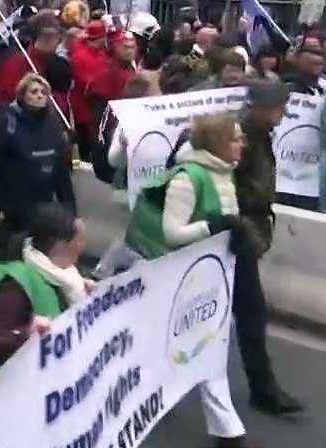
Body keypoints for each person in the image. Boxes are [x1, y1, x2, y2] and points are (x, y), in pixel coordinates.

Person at [121, 112, 251, 448]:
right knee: (197, 345)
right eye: (236, 138)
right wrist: (215, 226)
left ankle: (227, 431)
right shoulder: (188, 178)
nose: (242, 144)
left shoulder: (224, 173)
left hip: (210, 277)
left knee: (209, 345)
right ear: (218, 143)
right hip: (182, 279)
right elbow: (173, 232)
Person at [0, 205, 86, 388]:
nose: (85, 245)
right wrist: (25, 334)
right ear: (62, 244)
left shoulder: (61, 278)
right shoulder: (15, 285)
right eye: (81, 239)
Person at [233, 80, 304, 416]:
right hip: (236, 236)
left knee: (247, 315)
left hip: (248, 231)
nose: (283, 112)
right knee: (250, 313)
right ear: (260, 107)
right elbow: (225, 185)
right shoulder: (241, 138)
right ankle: (263, 390)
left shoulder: (258, 135)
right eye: (278, 106)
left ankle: (263, 388)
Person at [0, 73, 76, 234]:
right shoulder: (7, 122)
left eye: (43, 92)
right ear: (23, 96)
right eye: (34, 92)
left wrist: (71, 210)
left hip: (44, 200)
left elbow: (61, 170)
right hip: (15, 203)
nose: (40, 95)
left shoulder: (53, 125)